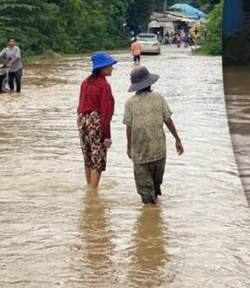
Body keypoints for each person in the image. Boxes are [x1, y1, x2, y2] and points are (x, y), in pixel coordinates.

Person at [123, 66, 183, 205]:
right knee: (155, 188)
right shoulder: (158, 98)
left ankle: (150, 219)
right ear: (149, 82)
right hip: (159, 151)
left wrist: (128, 147)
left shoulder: (129, 103)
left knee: (146, 193)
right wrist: (177, 139)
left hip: (140, 152)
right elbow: (168, 120)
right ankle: (156, 216)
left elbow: (129, 127)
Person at [78, 51, 117, 188]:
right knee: (98, 158)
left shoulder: (85, 82)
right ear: (102, 68)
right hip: (96, 121)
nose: (112, 68)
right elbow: (106, 114)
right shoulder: (104, 86)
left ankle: (89, 185)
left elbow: (80, 105)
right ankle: (93, 193)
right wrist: (107, 136)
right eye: (109, 65)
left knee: (87, 155)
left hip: (82, 120)